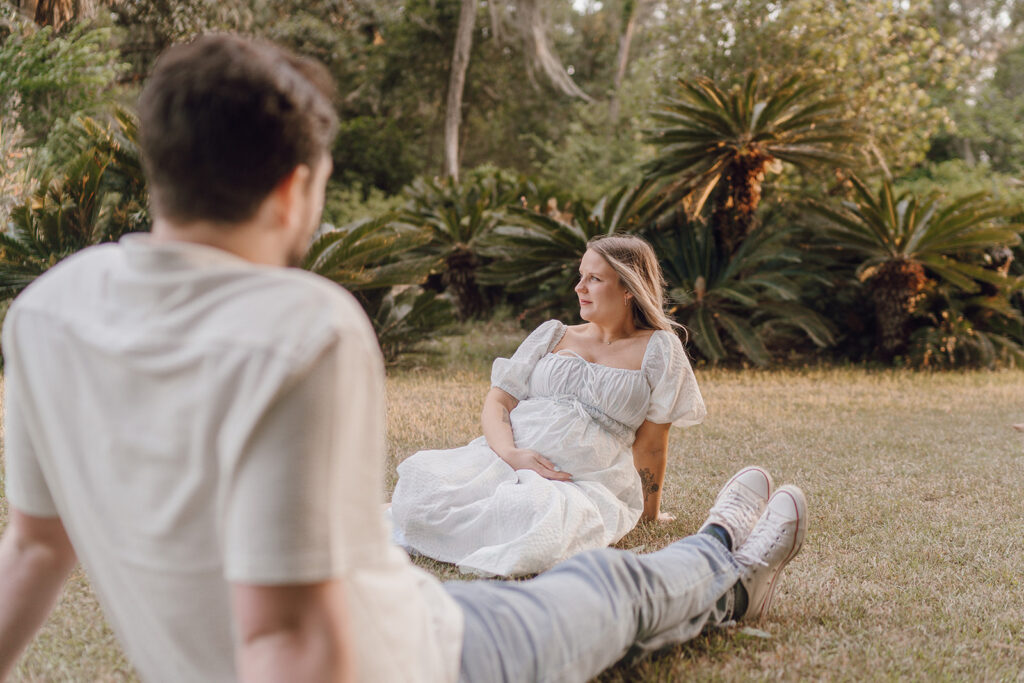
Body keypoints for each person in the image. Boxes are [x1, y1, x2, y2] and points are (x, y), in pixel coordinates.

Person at [0, 34, 808, 683]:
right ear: (293, 191)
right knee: (613, 593)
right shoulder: (302, 327)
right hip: (419, 657)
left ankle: (715, 553)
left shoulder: (49, 308)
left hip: (402, 610)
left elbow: (34, 545)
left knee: (588, 584)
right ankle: (726, 565)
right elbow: (284, 638)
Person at [390, 235, 706, 577]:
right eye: (581, 275)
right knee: (423, 485)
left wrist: (648, 512)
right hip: (504, 457)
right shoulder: (554, 334)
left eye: (594, 279)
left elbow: (652, 442)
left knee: (538, 522)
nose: (579, 287)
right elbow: (498, 401)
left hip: (579, 479)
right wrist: (512, 455)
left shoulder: (660, 349)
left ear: (629, 288)